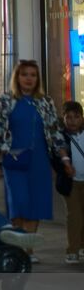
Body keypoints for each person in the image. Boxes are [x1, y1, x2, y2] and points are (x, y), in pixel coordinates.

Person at [0, 60, 73, 235]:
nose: (29, 79)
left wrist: (65, 160)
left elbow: (55, 133)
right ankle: (19, 242)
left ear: (38, 79)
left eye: (33, 75)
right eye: (24, 74)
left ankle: (28, 246)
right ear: (17, 77)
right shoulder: (6, 100)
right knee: (18, 202)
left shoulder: (45, 102)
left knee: (37, 202)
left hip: (39, 161)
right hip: (14, 160)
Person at [61, 101, 84, 264]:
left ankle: (82, 246)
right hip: (71, 183)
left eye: (76, 117)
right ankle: (73, 250)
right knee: (75, 215)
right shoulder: (60, 136)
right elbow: (55, 159)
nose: (72, 121)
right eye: (68, 117)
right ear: (63, 119)